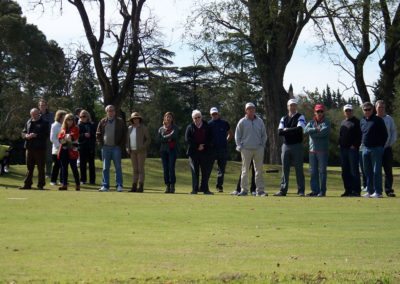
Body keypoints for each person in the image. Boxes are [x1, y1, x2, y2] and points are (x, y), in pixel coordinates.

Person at [274, 99, 306, 197]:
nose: (292, 107)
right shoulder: (284, 118)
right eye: (291, 105)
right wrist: (292, 130)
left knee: (299, 168)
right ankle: (283, 190)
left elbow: (300, 129)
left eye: (294, 105)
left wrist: (286, 129)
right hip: (286, 146)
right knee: (285, 168)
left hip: (297, 145)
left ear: (296, 106)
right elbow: (280, 132)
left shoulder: (300, 116)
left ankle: (301, 191)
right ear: (288, 107)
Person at [234, 102, 267, 197]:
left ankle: (260, 191)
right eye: (249, 109)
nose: (251, 110)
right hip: (246, 149)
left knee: (259, 170)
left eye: (252, 108)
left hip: (258, 149)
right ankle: (244, 190)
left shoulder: (260, 121)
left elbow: (264, 135)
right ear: (246, 110)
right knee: (245, 170)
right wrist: (239, 145)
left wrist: (262, 145)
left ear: (254, 110)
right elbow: (237, 135)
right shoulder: (242, 122)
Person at [96, 105, 127, 192]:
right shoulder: (102, 121)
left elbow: (125, 134)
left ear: (115, 112)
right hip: (105, 147)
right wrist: (100, 144)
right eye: (109, 110)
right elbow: (98, 134)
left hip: (116, 147)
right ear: (106, 112)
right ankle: (105, 186)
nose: (111, 112)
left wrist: (120, 145)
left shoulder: (120, 121)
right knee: (105, 167)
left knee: (118, 167)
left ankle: (119, 185)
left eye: (112, 110)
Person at [360, 102, 388, 198]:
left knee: (377, 171)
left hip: (376, 148)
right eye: (365, 110)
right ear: (363, 111)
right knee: (367, 171)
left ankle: (378, 192)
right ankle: (370, 191)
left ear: (372, 110)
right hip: (365, 148)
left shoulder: (378, 120)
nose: (367, 111)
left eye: (369, 109)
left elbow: (385, 135)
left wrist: (381, 146)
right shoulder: (362, 121)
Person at [185, 109, 214, 195]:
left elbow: (210, 138)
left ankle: (205, 189)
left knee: (205, 172)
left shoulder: (207, 126)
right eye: (195, 117)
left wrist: (203, 145)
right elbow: (187, 139)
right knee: (195, 172)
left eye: (198, 117)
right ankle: (194, 189)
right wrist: (197, 146)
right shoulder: (190, 127)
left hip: (205, 152)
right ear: (192, 119)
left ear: (201, 117)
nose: (197, 119)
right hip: (193, 153)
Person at [19, 108, 49, 190]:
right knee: (29, 167)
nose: (34, 116)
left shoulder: (44, 122)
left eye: (35, 114)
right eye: (32, 114)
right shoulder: (28, 122)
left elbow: (46, 135)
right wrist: (26, 136)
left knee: (40, 167)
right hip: (29, 148)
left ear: (39, 113)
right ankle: (27, 184)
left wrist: (36, 135)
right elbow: (23, 132)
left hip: (40, 148)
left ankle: (40, 185)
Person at [304, 104, 330, 197]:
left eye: (321, 111)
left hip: (322, 151)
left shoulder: (326, 122)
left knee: (322, 171)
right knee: (313, 172)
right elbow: (305, 130)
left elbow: (323, 133)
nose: (319, 113)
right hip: (312, 151)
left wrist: (312, 134)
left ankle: (322, 191)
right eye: (318, 111)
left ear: (323, 112)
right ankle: (315, 191)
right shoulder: (311, 122)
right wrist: (315, 129)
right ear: (315, 112)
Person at [339, 104, 362, 197]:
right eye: (346, 111)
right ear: (344, 112)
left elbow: (360, 136)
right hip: (343, 149)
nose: (348, 112)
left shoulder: (357, 122)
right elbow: (341, 135)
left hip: (352, 150)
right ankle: (348, 190)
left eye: (349, 110)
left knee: (354, 171)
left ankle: (356, 191)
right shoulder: (343, 122)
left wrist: (355, 145)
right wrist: (339, 143)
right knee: (345, 171)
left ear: (352, 111)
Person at [208, 107, 233, 192]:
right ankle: (205, 186)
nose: (214, 115)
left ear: (218, 114)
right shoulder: (209, 124)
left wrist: (226, 141)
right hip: (212, 150)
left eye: (215, 113)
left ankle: (219, 186)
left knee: (221, 169)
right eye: (213, 114)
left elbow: (230, 134)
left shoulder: (224, 123)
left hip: (223, 149)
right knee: (208, 168)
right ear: (210, 115)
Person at [376, 100, 397, 197]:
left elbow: (393, 133)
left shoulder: (389, 119)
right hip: (375, 149)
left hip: (387, 148)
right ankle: (377, 190)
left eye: (383, 107)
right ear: (376, 108)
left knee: (388, 170)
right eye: (379, 107)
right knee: (376, 170)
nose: (381, 109)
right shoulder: (373, 118)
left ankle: (389, 190)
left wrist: (389, 144)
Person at [126, 112, 150, 193]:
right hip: (132, 151)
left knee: (140, 169)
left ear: (139, 119)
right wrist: (127, 147)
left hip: (141, 151)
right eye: (134, 119)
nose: (135, 120)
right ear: (132, 120)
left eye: (137, 118)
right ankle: (134, 186)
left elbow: (148, 139)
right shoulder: (129, 128)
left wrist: (142, 147)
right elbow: (127, 140)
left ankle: (141, 186)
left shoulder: (143, 128)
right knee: (135, 169)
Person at [58, 114, 80, 191]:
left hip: (72, 151)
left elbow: (73, 137)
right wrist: (66, 137)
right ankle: (64, 184)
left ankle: (77, 184)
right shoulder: (63, 129)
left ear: (73, 120)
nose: (69, 121)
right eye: (68, 119)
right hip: (64, 150)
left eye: (71, 119)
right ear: (65, 120)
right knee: (64, 168)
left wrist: (66, 138)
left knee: (74, 168)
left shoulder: (76, 128)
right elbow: (60, 139)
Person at [158, 112, 179, 194]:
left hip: (172, 150)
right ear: (164, 118)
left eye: (170, 117)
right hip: (163, 151)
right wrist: (168, 138)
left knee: (171, 168)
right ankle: (167, 186)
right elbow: (159, 139)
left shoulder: (175, 127)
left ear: (172, 118)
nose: (168, 118)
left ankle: (172, 186)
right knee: (165, 169)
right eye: (166, 117)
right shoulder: (161, 129)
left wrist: (164, 138)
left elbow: (174, 136)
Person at [78, 110, 96, 185]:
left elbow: (95, 135)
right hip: (82, 147)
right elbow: (76, 136)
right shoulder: (78, 126)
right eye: (81, 116)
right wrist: (83, 135)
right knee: (82, 164)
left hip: (90, 147)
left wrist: (90, 135)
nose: (82, 118)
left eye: (84, 116)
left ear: (87, 116)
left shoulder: (92, 124)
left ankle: (92, 180)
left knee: (91, 164)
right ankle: (83, 179)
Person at [49, 110, 67, 185]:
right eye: (64, 116)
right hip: (56, 149)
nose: (65, 118)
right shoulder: (54, 125)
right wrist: (60, 145)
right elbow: (52, 138)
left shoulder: (64, 125)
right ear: (60, 117)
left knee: (64, 165)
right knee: (56, 165)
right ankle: (53, 181)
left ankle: (62, 180)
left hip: (65, 148)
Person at [38, 99, 55, 178]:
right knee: (40, 156)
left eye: (44, 105)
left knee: (48, 156)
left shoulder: (51, 115)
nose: (42, 107)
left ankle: (48, 173)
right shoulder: (36, 114)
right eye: (41, 105)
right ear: (39, 106)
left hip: (48, 138)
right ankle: (41, 173)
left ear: (46, 106)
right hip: (39, 138)